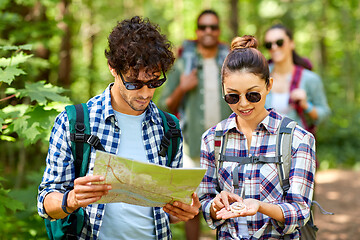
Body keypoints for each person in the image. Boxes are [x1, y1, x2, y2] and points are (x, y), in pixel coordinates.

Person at [37, 16, 200, 240]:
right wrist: (72, 199)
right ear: (113, 68)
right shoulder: (74, 122)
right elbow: (45, 202)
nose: (145, 93)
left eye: (154, 82)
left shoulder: (169, 127)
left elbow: (168, 212)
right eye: (134, 83)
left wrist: (183, 211)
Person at [198, 35, 316, 239]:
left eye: (253, 95)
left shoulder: (298, 139)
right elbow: (205, 200)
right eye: (232, 96)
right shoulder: (212, 139)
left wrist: (260, 206)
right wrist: (215, 204)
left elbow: (300, 211)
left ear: (268, 85)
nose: (243, 104)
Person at [158, 9, 232, 240]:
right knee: (191, 206)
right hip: (192, 148)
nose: (208, 31)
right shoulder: (184, 64)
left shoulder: (230, 63)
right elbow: (163, 107)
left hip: (229, 147)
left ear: (219, 31)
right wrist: (182, 87)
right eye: (203, 27)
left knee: (230, 204)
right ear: (197, 31)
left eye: (213, 27)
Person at [263, 24, 330, 135]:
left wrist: (306, 105)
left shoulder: (310, 79)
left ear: (291, 43)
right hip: (264, 147)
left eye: (279, 42)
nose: (274, 47)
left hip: (297, 147)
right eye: (269, 44)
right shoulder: (260, 76)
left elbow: (324, 115)